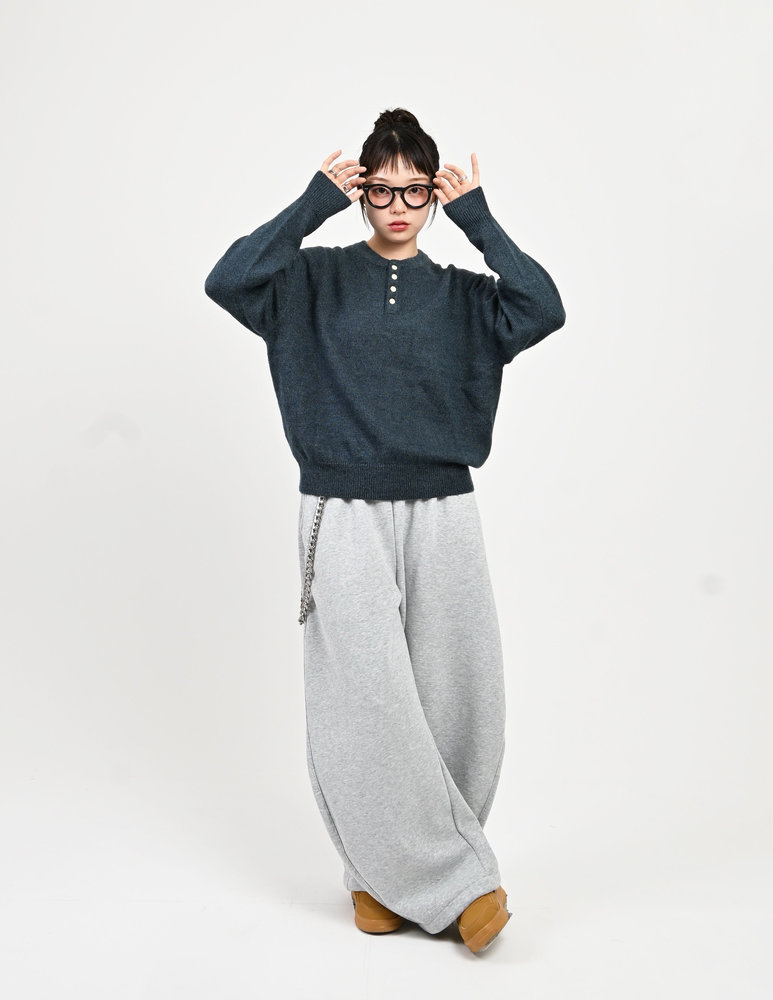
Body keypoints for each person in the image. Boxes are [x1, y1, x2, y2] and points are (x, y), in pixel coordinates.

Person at [204, 108, 566, 954]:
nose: (397, 207)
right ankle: (440, 883)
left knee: (460, 695)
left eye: (414, 191)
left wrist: (478, 219)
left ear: (434, 196)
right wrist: (310, 204)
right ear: (361, 191)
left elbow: (543, 306)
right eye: (381, 190)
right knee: (363, 703)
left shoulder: (467, 297)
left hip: (444, 507)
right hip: (342, 508)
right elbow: (228, 280)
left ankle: (396, 875)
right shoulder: (309, 279)